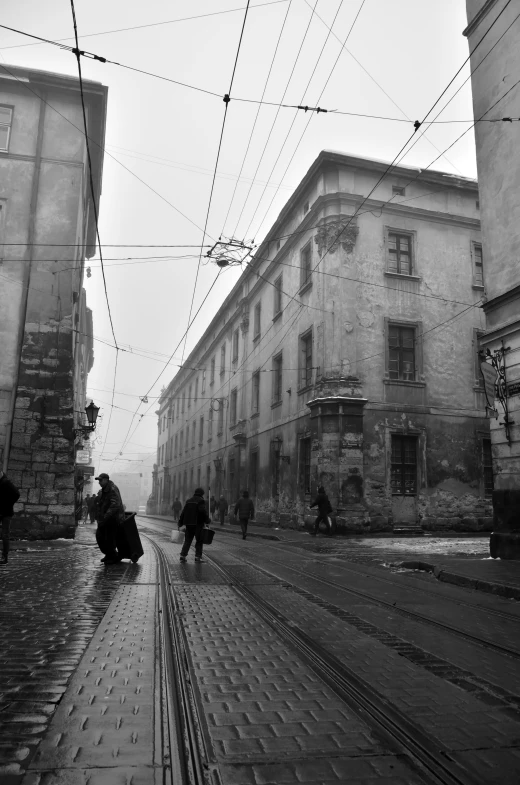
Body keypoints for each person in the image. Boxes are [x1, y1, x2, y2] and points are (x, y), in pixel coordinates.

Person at [94, 473, 125, 564]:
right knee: (100, 536)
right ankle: (108, 554)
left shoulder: (112, 489)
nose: (99, 482)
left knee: (109, 538)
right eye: (98, 480)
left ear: (106, 480)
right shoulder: (103, 490)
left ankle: (113, 556)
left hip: (113, 519)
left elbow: (115, 505)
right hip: (105, 519)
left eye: (101, 480)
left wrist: (105, 517)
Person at [179, 487, 209, 563]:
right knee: (199, 541)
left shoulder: (188, 501)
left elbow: (183, 512)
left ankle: (183, 555)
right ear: (202, 494)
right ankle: (198, 557)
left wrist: (180, 522)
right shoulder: (201, 501)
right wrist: (207, 520)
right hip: (198, 524)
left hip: (189, 524)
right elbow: (202, 511)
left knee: (187, 541)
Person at [0, 470, 20, 566]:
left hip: (6, 513)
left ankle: (5, 556)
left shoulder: (6, 482)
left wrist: (8, 504)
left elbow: (16, 494)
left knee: (5, 535)